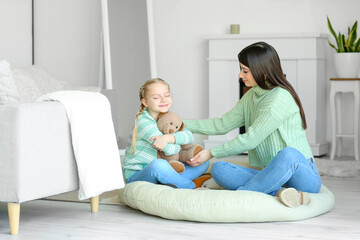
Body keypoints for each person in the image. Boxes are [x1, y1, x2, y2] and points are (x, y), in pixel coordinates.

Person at [184, 42, 321, 207]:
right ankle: (279, 193)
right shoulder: (251, 96)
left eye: (245, 71)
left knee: (288, 154)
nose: (240, 75)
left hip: (303, 177)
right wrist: (181, 124)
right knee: (219, 168)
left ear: (262, 71)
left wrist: (211, 152)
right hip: (271, 175)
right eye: (241, 69)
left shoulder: (279, 98)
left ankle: (240, 198)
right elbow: (221, 125)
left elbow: (250, 139)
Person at [123, 78, 209, 189]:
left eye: (167, 95)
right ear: (145, 102)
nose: (163, 100)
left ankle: (170, 181)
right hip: (138, 175)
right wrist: (176, 141)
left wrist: (168, 138)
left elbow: (188, 135)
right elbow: (169, 150)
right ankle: (188, 185)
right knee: (158, 165)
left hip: (164, 168)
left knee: (202, 161)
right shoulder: (143, 121)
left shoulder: (167, 116)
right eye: (156, 97)